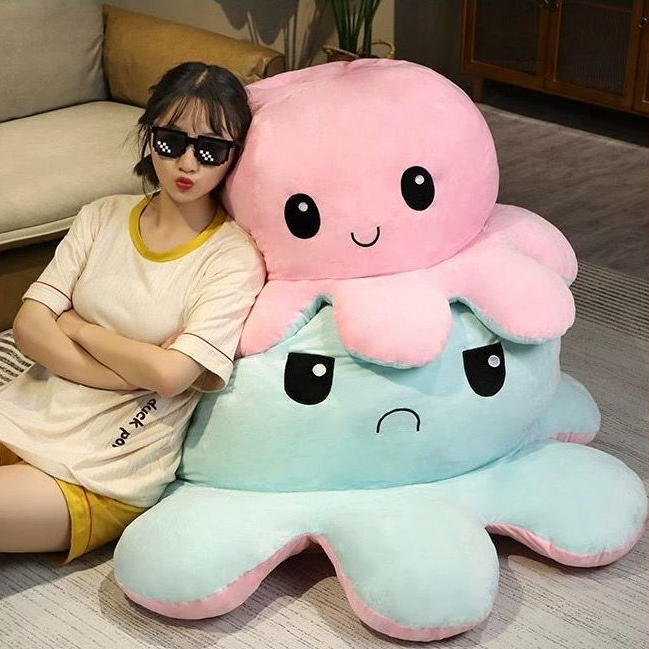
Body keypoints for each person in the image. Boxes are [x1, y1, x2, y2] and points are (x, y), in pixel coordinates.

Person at [0, 62, 265, 563]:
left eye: (210, 149)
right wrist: (128, 371)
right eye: (172, 141)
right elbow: (28, 328)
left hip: (105, 465)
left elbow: (170, 376)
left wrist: (76, 326)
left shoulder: (233, 258)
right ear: (149, 134)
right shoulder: (101, 215)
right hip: (22, 414)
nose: (188, 163)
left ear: (235, 156)